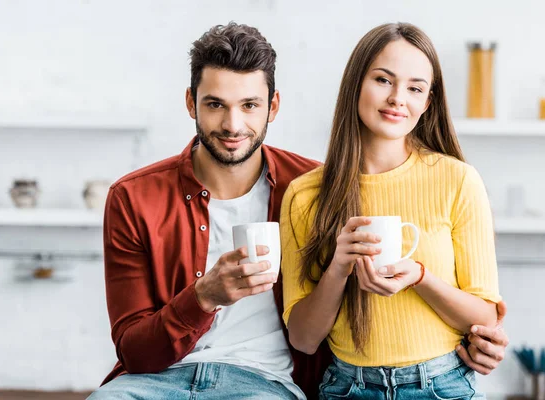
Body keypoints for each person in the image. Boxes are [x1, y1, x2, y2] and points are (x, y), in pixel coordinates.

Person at [89, 22, 508, 400]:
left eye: (250, 105)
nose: (233, 125)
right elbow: (133, 349)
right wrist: (203, 297)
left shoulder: (310, 185)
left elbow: (480, 311)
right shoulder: (136, 197)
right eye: (216, 104)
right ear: (190, 103)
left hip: (266, 382)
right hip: (159, 379)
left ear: (273, 107)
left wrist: (474, 336)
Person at [281, 22, 506, 399]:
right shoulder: (305, 195)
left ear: (427, 102)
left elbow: (485, 317)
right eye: (384, 80)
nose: (398, 98)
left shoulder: (458, 180)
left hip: (444, 385)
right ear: (356, 84)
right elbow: (304, 339)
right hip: (347, 387)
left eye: (415, 88)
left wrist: (420, 277)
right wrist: (338, 268)